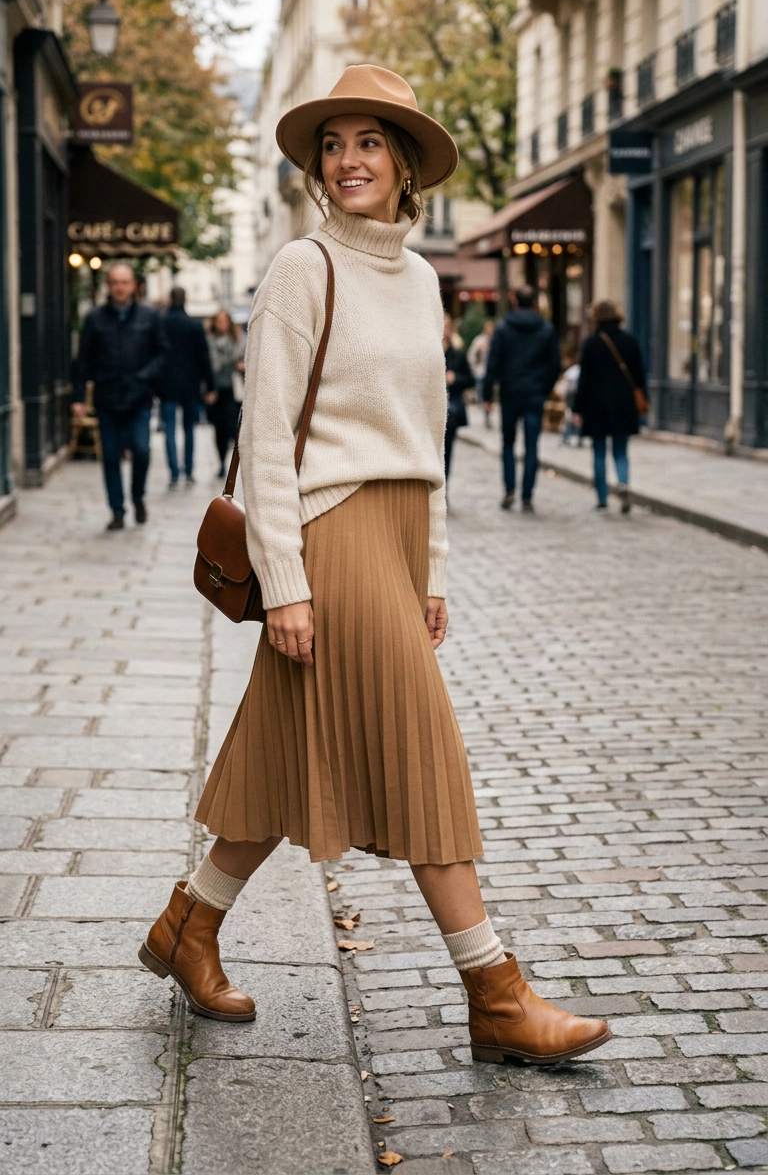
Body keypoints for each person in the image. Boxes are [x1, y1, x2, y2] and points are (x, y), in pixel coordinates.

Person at [139, 64, 610, 1066]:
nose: (348, 160)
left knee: (280, 755)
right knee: (424, 745)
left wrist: (430, 568)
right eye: (334, 144)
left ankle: (188, 926)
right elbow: (266, 436)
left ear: (404, 165)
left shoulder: (424, 279)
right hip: (333, 530)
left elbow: (425, 437)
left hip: (395, 532)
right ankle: (494, 990)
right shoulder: (303, 268)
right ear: (319, 167)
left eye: (369, 142)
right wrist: (287, 580)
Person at [72, 262, 167, 530]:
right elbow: (83, 361)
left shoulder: (149, 316)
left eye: (124, 282)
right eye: (114, 282)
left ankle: (137, 496)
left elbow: (162, 353)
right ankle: (116, 510)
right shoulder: (95, 319)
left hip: (139, 398)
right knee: (111, 456)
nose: (119, 288)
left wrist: (146, 376)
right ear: (108, 286)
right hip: (107, 398)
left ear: (133, 285)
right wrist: (78, 398)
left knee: (142, 450)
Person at [483, 286, 561, 513]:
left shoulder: (504, 328)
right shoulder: (546, 329)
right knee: (532, 446)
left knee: (508, 443)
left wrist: (488, 394)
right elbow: (555, 364)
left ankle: (509, 490)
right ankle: (527, 495)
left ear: (515, 301)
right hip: (534, 394)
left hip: (510, 393)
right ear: (535, 302)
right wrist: (545, 388)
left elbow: (493, 362)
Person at [572, 299, 647, 514]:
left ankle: (602, 498)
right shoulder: (630, 341)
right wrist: (643, 401)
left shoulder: (591, 343)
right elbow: (639, 376)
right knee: (621, 450)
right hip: (623, 403)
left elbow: (584, 379)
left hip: (596, 404)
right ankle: (623, 483)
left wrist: (577, 408)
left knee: (598, 452)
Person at [158, 287, 215, 487]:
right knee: (189, 428)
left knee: (169, 429)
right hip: (190, 384)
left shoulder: (161, 323)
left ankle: (174, 473)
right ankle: (189, 471)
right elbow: (204, 357)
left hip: (166, 384)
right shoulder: (194, 325)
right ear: (185, 299)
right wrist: (210, 385)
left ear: (170, 299)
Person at [207, 309, 247, 477]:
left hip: (234, 390)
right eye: (218, 321)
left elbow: (248, 361)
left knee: (232, 428)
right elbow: (207, 366)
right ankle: (222, 462)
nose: (221, 324)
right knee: (219, 431)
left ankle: (234, 463)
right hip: (216, 391)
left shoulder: (239, 341)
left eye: (224, 321)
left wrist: (242, 366)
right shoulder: (209, 342)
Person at [443, 314, 474, 487]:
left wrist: (455, 378)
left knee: (447, 452)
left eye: (447, 327)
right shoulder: (426, 354)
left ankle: (444, 488)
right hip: (428, 411)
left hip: (451, 410)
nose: (444, 331)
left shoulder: (457, 354)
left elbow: (470, 380)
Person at [467, 319, 496, 427]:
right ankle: (484, 411)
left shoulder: (496, 340)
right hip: (481, 371)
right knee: (482, 393)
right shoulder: (479, 340)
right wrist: (479, 352)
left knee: (489, 395)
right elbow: (471, 356)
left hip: (492, 372)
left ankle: (487, 413)